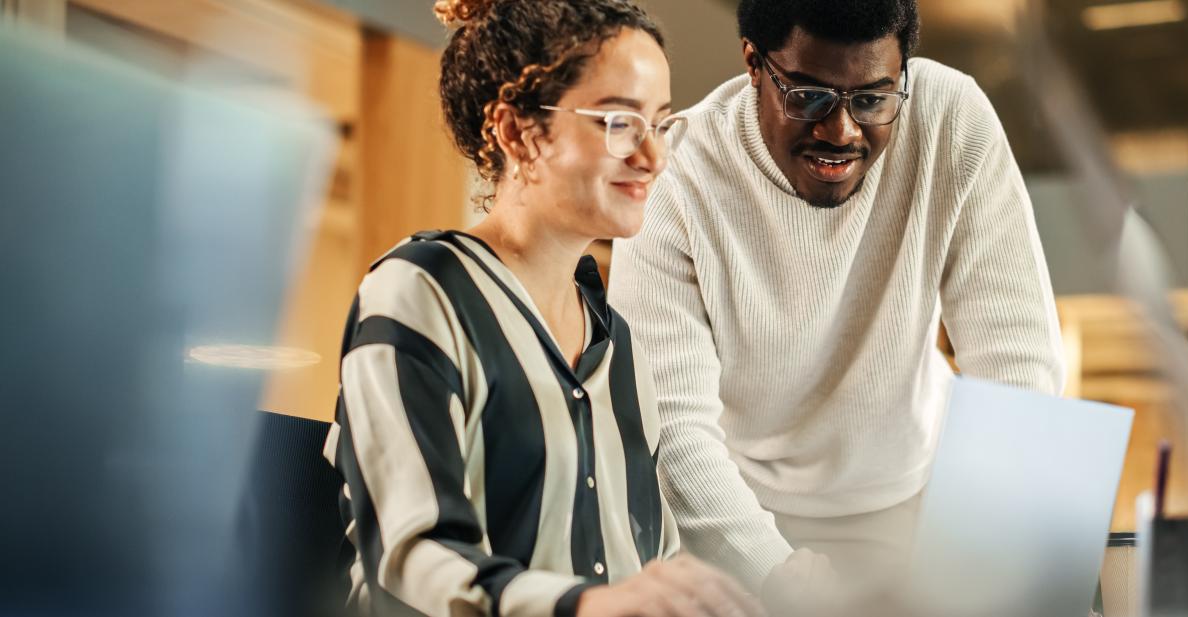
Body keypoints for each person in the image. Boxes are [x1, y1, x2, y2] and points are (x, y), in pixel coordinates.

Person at [608, 0, 1066, 594]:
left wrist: (992, 562)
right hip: (742, 517)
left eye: (873, 99)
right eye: (808, 98)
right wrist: (781, 577)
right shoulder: (679, 180)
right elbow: (672, 427)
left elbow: (1017, 362)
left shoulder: (951, 117)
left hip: (917, 502)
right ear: (754, 63)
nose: (842, 132)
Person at [323, 1, 764, 616]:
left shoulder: (619, 345)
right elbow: (410, 558)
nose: (653, 157)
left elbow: (649, 565)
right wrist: (584, 606)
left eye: (661, 125)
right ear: (516, 130)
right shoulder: (420, 292)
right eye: (618, 123)